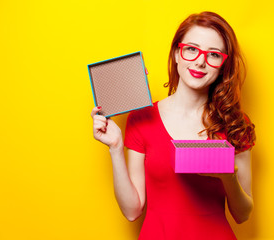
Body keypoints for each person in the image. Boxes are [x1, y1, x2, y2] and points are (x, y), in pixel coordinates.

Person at [91, 11, 256, 240]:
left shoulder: (235, 124)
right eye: (191, 49)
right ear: (177, 54)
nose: (200, 61)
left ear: (223, 65)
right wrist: (116, 147)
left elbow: (243, 214)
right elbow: (132, 211)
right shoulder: (142, 117)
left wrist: (228, 177)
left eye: (214, 55)